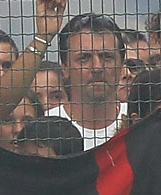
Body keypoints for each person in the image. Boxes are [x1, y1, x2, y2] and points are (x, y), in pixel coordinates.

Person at [47, 14, 131, 150]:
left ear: (121, 65)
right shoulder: (46, 127)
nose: (97, 67)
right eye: (84, 58)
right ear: (65, 68)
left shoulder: (138, 121)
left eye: (107, 57)